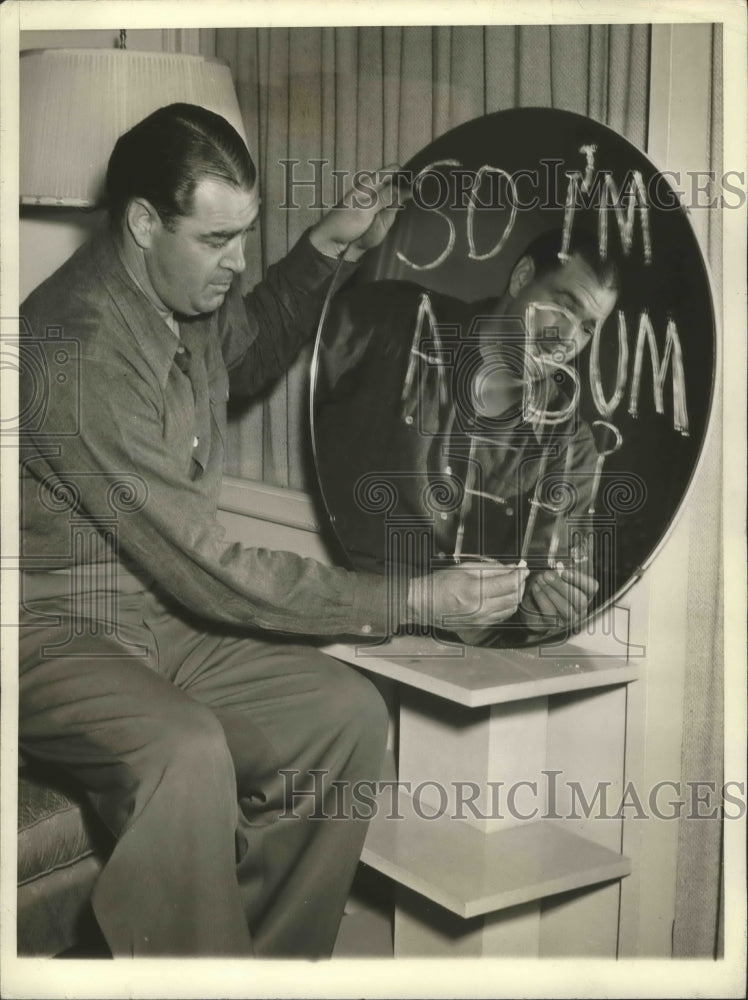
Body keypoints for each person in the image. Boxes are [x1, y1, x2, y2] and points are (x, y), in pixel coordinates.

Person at [18, 103, 529, 957]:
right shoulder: (72, 352)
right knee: (183, 752)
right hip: (52, 629)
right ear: (143, 222)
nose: (237, 261)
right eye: (216, 240)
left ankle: (271, 966)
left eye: (245, 236)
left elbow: (244, 349)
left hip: (159, 616)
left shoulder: (180, 291)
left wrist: (329, 246)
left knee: (344, 715)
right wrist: (412, 598)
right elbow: (207, 566)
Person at [314, 227, 622, 644]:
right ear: (521, 278)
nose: (566, 342)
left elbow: (541, 587)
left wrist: (539, 611)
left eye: (587, 328)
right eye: (563, 308)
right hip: (327, 614)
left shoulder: (571, 445)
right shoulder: (397, 321)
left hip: (446, 667)